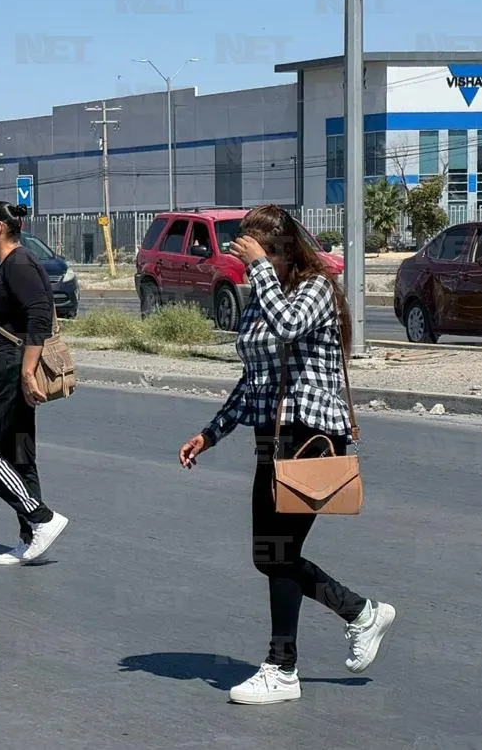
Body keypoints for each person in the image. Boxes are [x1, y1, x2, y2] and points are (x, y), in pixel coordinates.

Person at [177, 204, 396, 704]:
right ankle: (361, 613)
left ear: (285, 250)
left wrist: (258, 270)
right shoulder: (262, 295)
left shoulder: (313, 289)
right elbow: (253, 378)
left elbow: (288, 326)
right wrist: (211, 433)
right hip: (269, 436)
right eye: (252, 251)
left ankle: (283, 667)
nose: (258, 261)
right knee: (269, 555)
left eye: (266, 252)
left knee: (278, 553)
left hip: (309, 436)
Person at [0, 201, 69, 566]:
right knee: (20, 453)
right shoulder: (13, 263)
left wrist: (26, 372)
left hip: (10, 371)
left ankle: (41, 518)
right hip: (8, 367)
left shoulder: (20, 263)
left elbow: (39, 316)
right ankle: (31, 539)